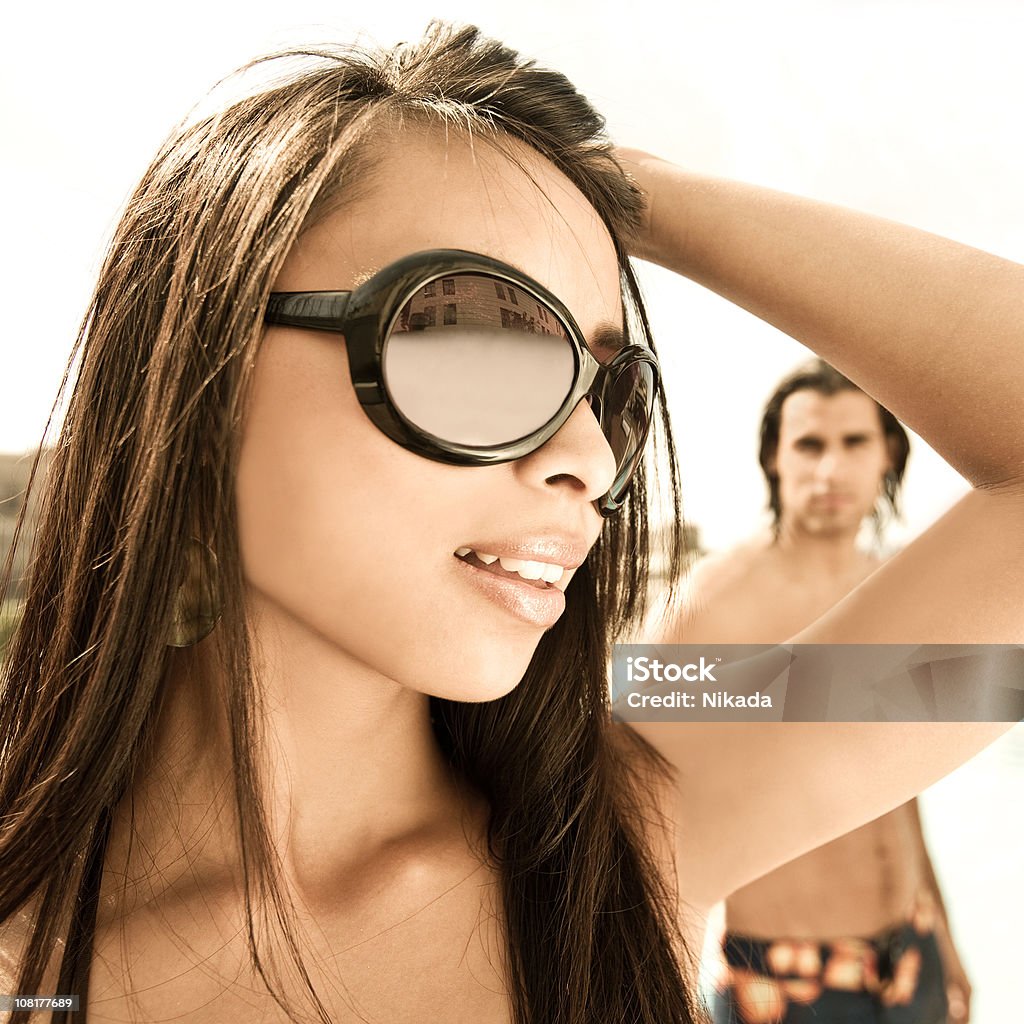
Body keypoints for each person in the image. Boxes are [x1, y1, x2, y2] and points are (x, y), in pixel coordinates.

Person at [0, 22, 1019, 1024]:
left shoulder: (618, 838)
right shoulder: (30, 968)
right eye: (478, 341)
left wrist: (620, 185)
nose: (591, 458)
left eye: (606, 389)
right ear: (200, 371)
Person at [658, 358, 971, 1023]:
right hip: (781, 977)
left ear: (889, 452)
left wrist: (942, 931)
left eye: (854, 442)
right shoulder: (710, 607)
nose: (830, 471)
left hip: (910, 954)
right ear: (773, 458)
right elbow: (636, 805)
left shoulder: (899, 590)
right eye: (809, 444)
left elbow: (900, 789)